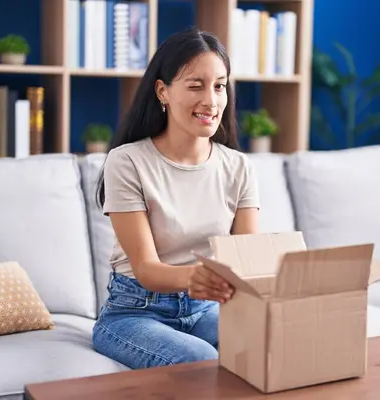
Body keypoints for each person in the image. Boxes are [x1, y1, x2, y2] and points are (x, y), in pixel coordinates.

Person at [91, 27, 260, 370]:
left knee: (265, 342)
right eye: (196, 85)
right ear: (162, 91)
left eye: (219, 86)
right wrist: (196, 277)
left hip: (207, 309)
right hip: (134, 312)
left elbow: (246, 262)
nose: (211, 100)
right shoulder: (127, 162)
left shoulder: (239, 167)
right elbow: (147, 270)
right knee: (200, 361)